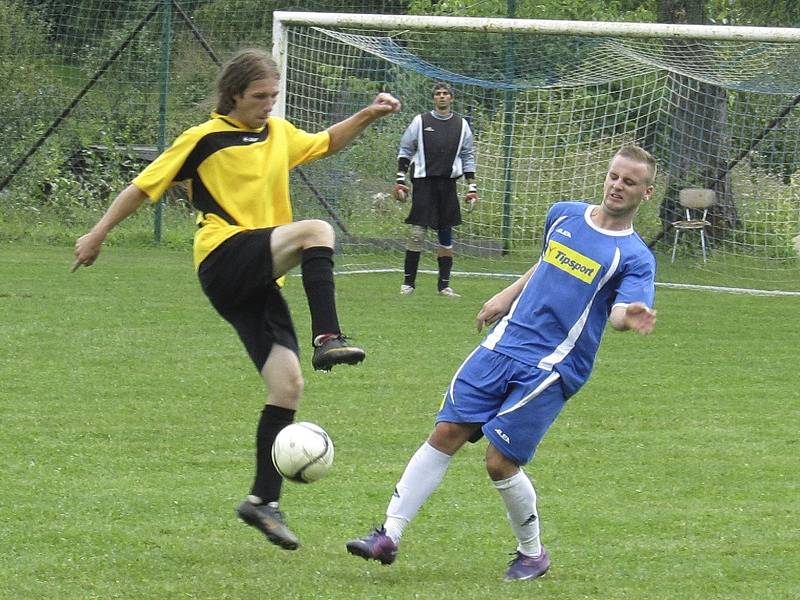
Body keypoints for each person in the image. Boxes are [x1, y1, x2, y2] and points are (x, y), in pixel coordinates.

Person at [73, 48, 401, 551]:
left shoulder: (277, 133)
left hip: (258, 277)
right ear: (233, 95)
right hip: (223, 256)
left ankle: (262, 502)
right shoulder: (202, 139)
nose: (268, 104)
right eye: (258, 97)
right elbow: (141, 189)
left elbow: (326, 143)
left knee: (287, 386)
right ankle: (329, 335)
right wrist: (96, 235)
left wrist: (366, 114)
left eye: (273, 95)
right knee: (317, 230)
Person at [346, 145, 658, 580]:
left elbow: (624, 311)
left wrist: (630, 318)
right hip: (504, 343)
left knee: (499, 462)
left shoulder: (636, 257)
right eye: (614, 176)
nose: (617, 186)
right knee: (446, 431)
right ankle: (388, 535)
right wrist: (506, 295)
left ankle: (532, 553)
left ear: (646, 192)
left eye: (630, 181)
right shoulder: (564, 214)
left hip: (552, 365)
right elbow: (546, 261)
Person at [393, 82, 478, 298]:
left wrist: (472, 187)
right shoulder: (420, 121)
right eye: (438, 94)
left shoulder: (462, 125)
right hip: (423, 183)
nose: (442, 97)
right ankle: (408, 284)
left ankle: (444, 287)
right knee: (416, 233)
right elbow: (405, 149)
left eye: (445, 94)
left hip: (448, 185)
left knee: (445, 235)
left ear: (452, 98)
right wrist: (400, 180)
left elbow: (468, 156)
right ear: (433, 98)